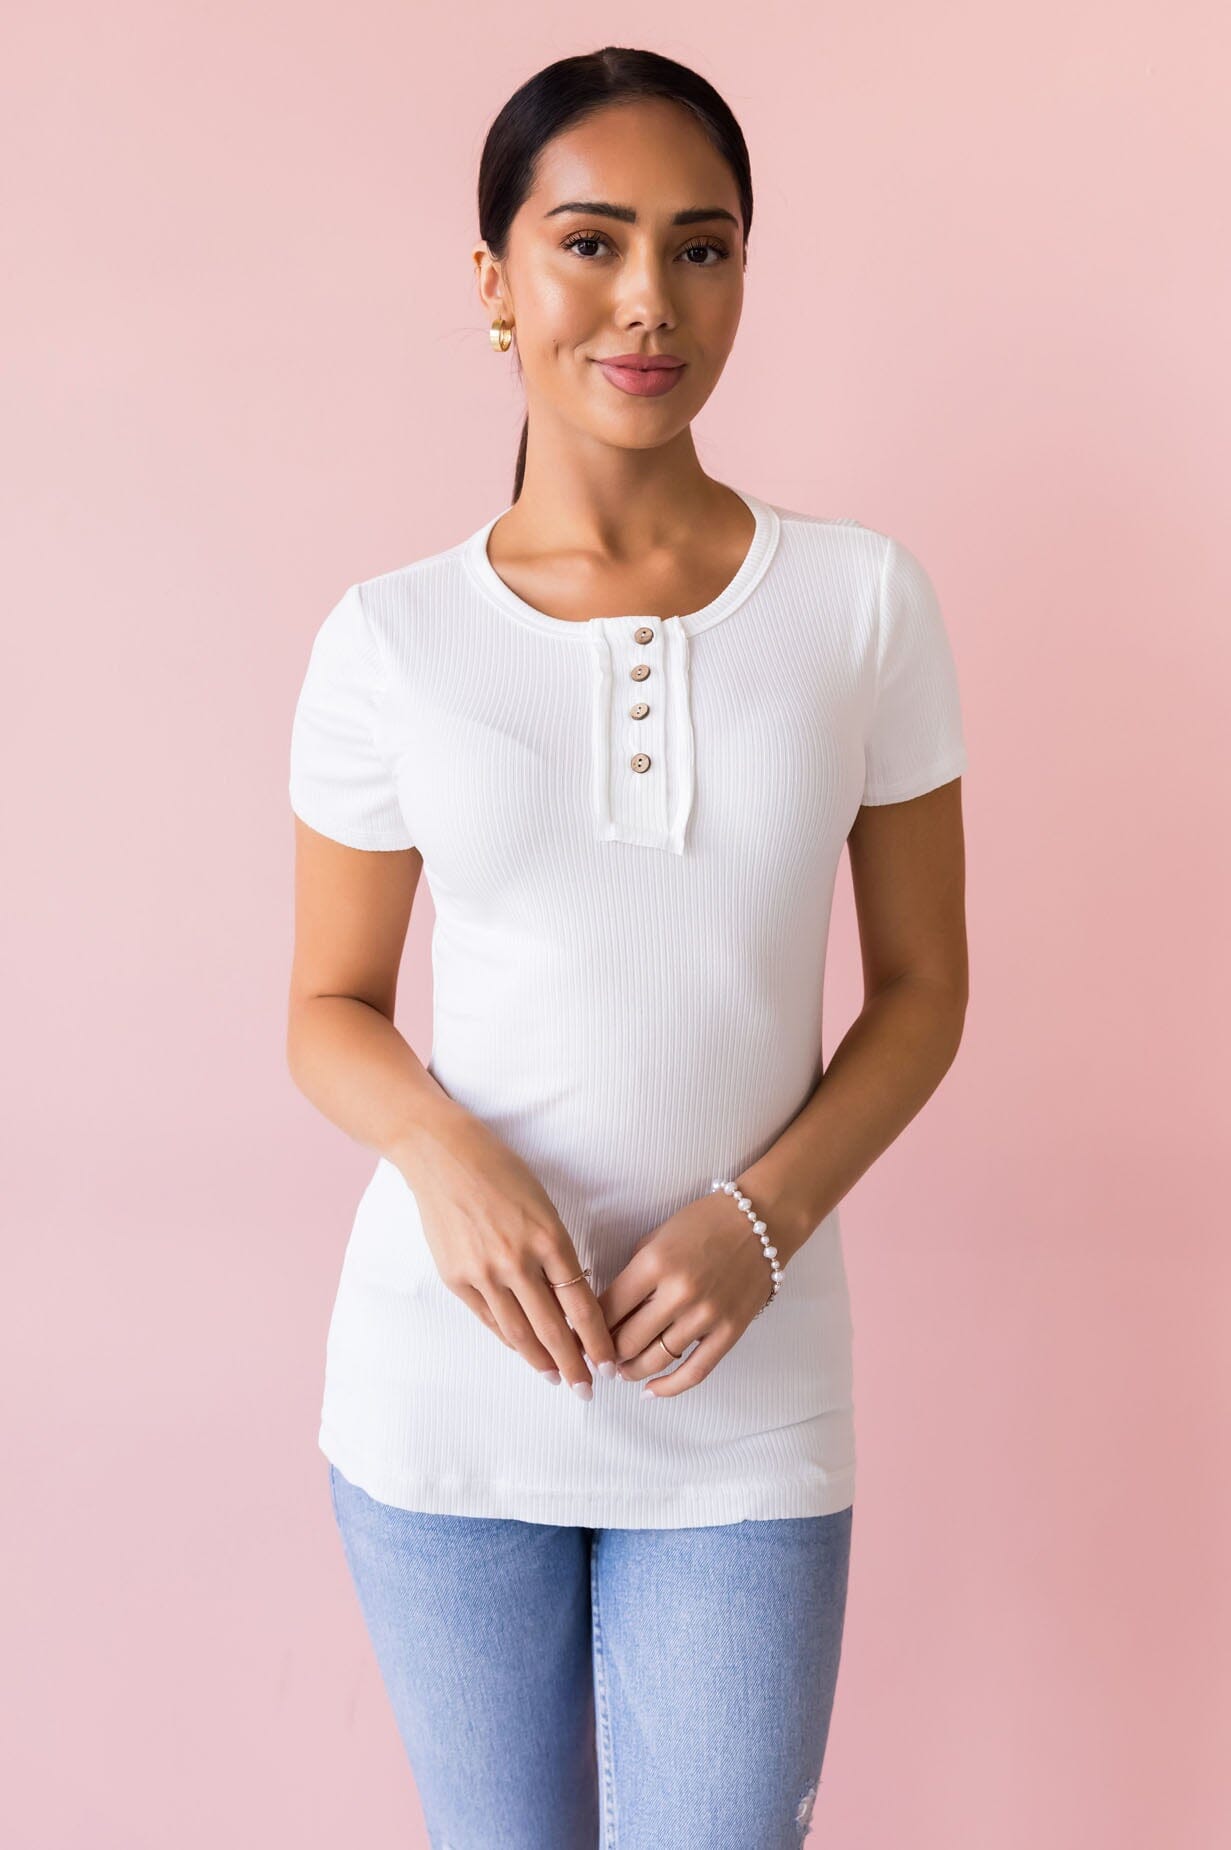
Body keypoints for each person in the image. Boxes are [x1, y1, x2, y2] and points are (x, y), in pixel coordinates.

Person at [286, 45, 969, 1850]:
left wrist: (762, 1219)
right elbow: (328, 1005)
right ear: (495, 280)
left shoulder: (861, 604)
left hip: (747, 1393)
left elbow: (925, 988)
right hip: (448, 1390)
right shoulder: (391, 640)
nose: (649, 298)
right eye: (589, 242)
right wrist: (445, 1158)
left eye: (702, 246)